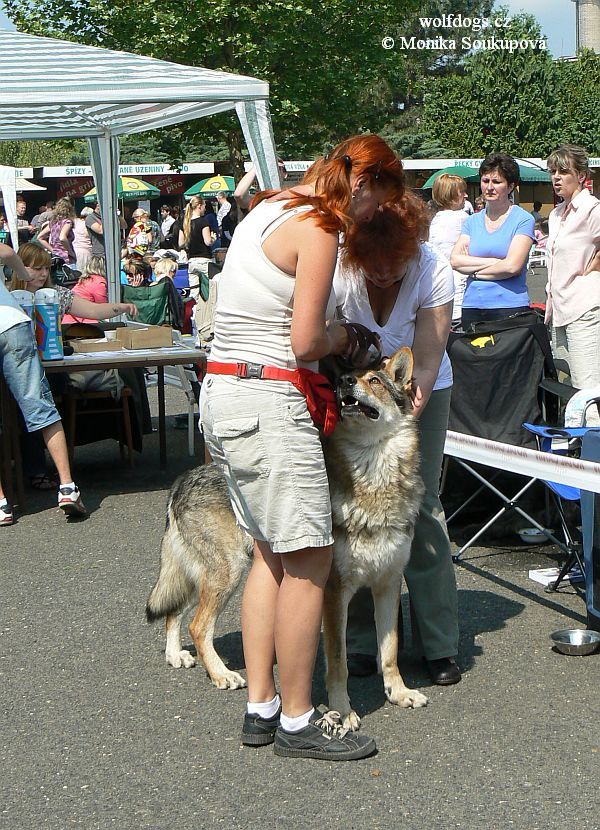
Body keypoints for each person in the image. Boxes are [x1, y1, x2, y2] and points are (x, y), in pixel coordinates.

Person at [200, 134, 405, 760]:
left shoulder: (268, 207)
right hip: (268, 400)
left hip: (223, 391)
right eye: (375, 206)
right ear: (363, 183)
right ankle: (297, 718)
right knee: (312, 558)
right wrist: (348, 335)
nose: (368, 219)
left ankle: (261, 705)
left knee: (270, 554)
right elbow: (305, 339)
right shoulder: (317, 226)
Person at [335, 195, 460, 686]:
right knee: (353, 511)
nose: (384, 274)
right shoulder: (343, 271)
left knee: (420, 508)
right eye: (374, 264)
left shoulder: (434, 270)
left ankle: (440, 642)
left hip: (416, 392)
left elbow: (425, 363)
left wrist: (403, 415)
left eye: (395, 264)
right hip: (356, 395)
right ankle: (365, 642)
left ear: (415, 247)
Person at [0, 242, 86, 525]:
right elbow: (7, 252)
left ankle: (2, 503)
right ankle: (67, 487)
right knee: (40, 404)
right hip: (12, 323)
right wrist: (22, 272)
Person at [545, 144, 600, 423]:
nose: (556, 177)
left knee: (586, 391)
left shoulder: (592, 209)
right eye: (553, 171)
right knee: (569, 388)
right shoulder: (556, 215)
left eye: (564, 171)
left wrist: (595, 267)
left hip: (584, 306)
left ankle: (593, 456)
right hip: (558, 310)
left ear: (581, 175)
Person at [450, 152, 535, 330]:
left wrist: (473, 271)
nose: (489, 187)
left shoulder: (523, 219)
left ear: (510, 186)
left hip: (509, 307)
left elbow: (512, 266)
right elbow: (455, 260)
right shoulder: (471, 221)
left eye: (497, 182)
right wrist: (496, 263)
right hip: (471, 306)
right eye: (485, 181)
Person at [428, 173, 469, 327]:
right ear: (451, 196)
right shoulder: (462, 218)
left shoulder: (436, 218)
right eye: (461, 192)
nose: (465, 195)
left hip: (438, 289)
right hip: (459, 291)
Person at [62, 256, 108, 324]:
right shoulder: (99, 282)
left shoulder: (83, 280)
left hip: (68, 319)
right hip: (81, 321)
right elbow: (103, 307)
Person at [36, 198, 77, 265]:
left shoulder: (52, 223)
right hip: (66, 258)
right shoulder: (67, 222)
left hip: (56, 257)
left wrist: (52, 250)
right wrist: (70, 252)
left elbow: (40, 237)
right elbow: (62, 238)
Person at [72, 206, 94, 272]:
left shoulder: (74, 221)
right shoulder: (89, 225)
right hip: (85, 252)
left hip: (73, 250)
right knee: (84, 274)